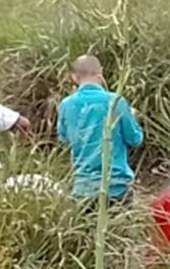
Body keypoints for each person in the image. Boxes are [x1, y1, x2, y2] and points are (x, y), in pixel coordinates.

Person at [56, 55, 144, 205]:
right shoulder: (115, 101)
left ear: (74, 77)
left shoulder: (66, 105)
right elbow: (135, 139)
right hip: (116, 186)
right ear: (100, 72)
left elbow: (64, 139)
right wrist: (133, 118)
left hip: (83, 187)